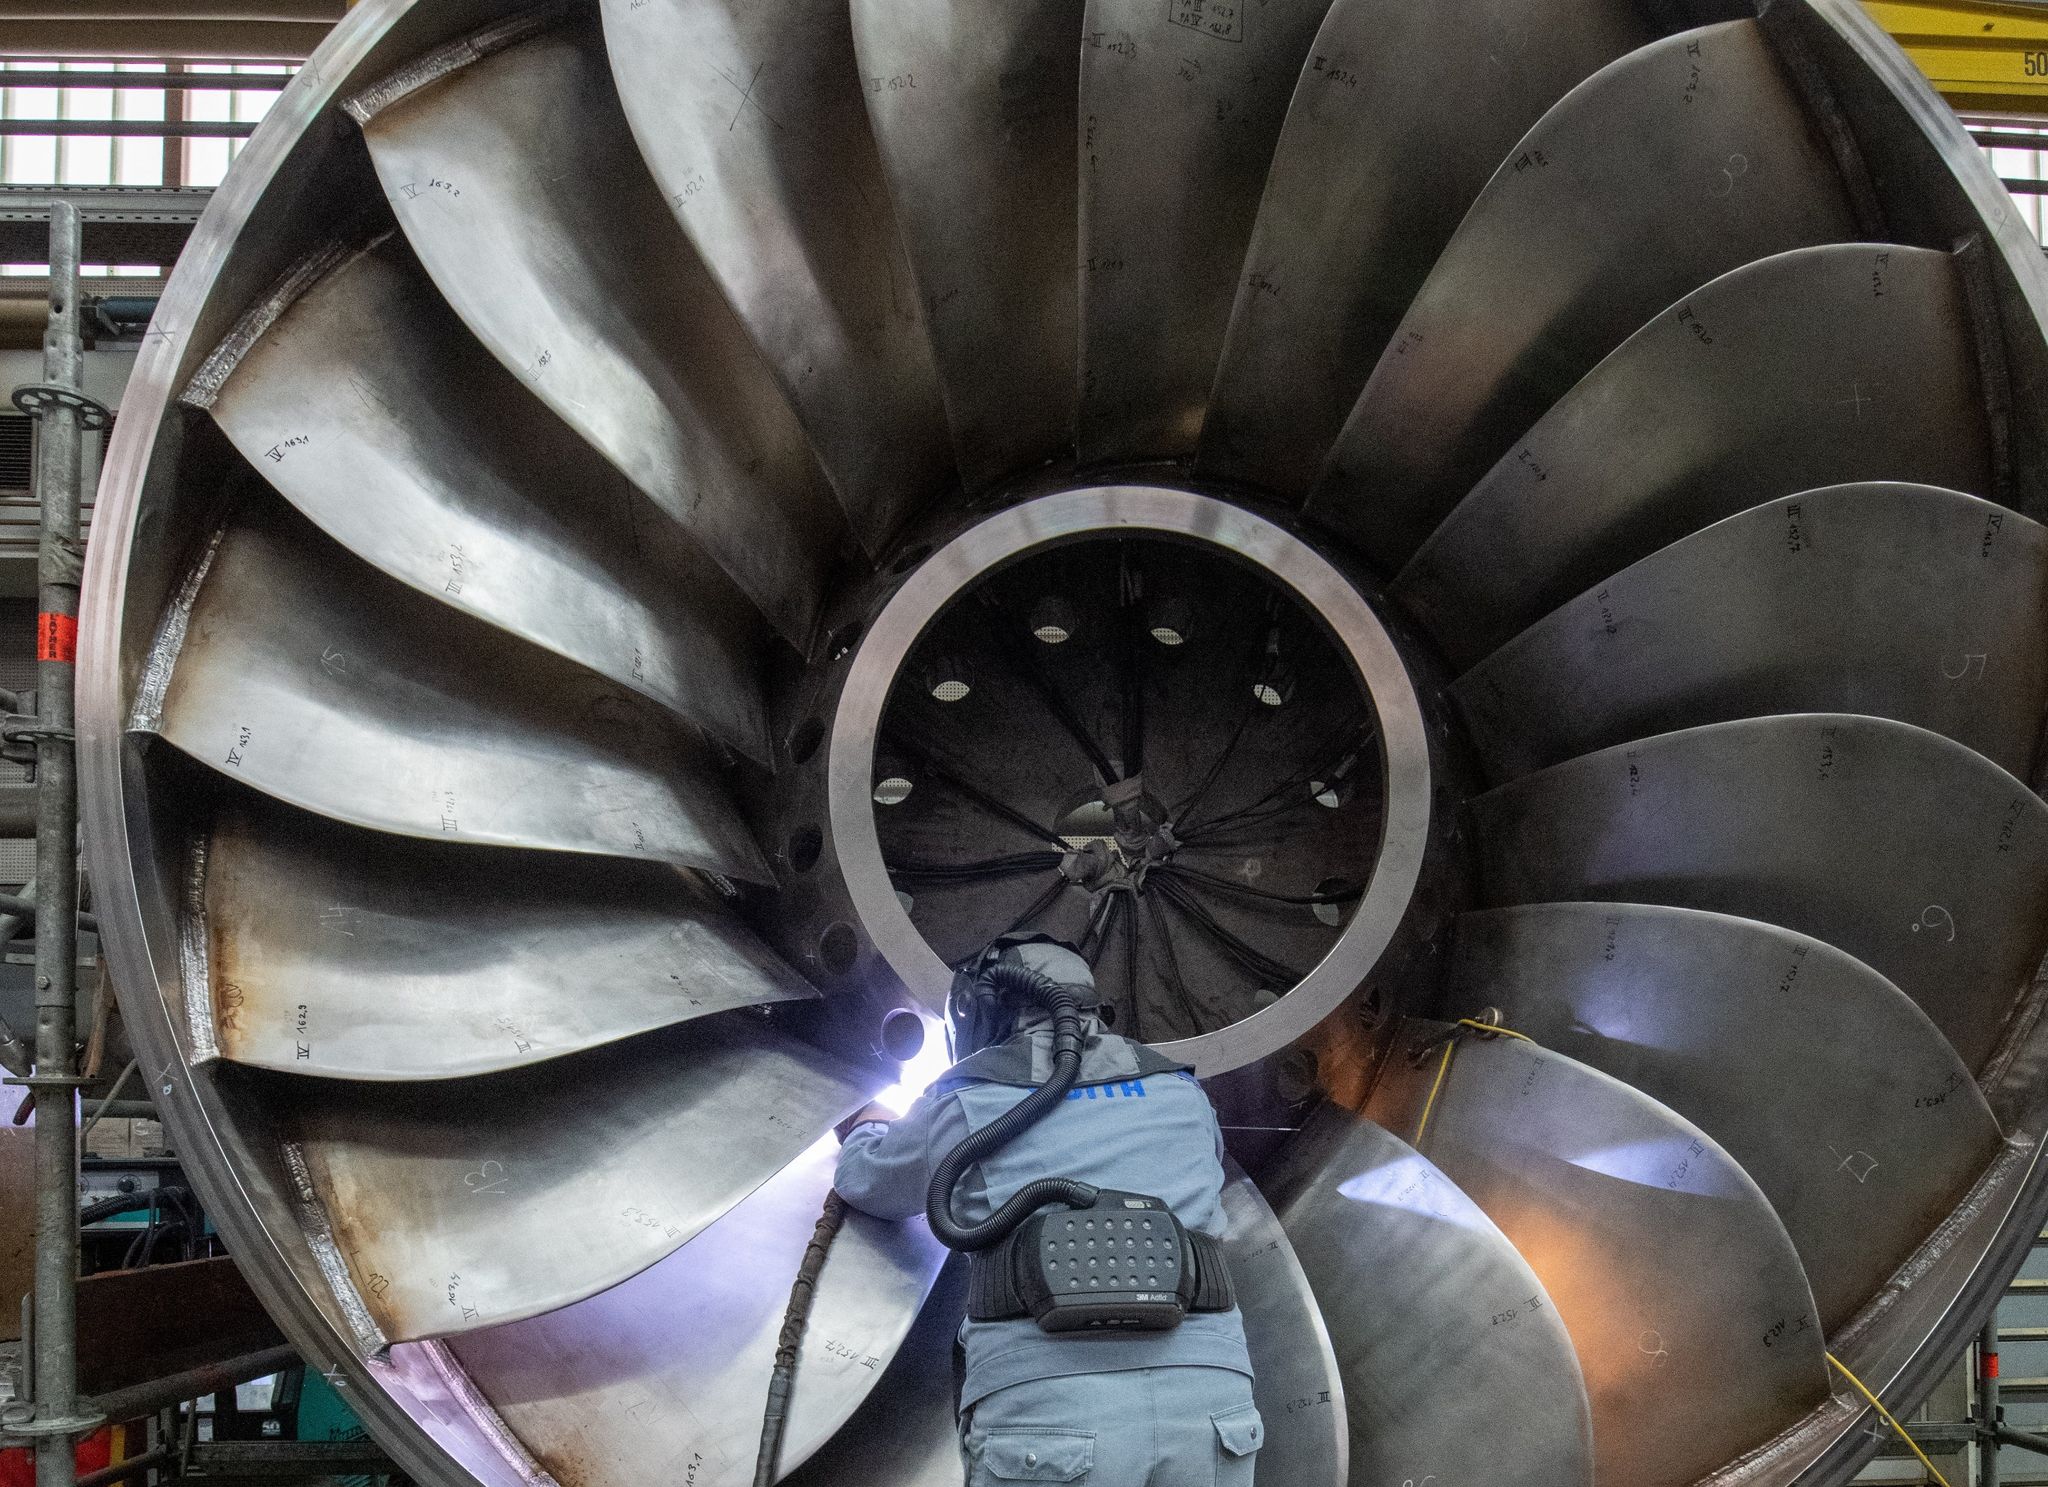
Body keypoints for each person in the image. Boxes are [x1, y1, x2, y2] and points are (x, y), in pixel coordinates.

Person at [834, 934, 1264, 1486]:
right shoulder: (1183, 1091)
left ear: (979, 1015)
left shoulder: (964, 1099)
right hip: (1213, 1409)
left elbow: (864, 1182)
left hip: (1049, 1416)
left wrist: (871, 1121)